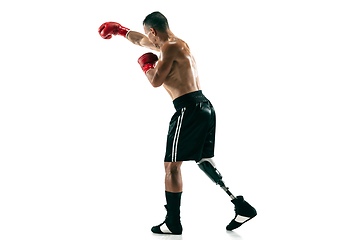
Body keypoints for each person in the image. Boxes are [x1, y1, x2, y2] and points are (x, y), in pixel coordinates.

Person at [98, 11, 257, 235]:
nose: (147, 40)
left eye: (148, 34)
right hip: (203, 106)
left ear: (153, 31)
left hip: (188, 109)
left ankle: (172, 222)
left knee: (171, 166)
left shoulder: (169, 48)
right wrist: (120, 31)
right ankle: (241, 206)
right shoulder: (174, 44)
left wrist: (146, 65)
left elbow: (155, 81)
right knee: (203, 159)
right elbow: (140, 41)